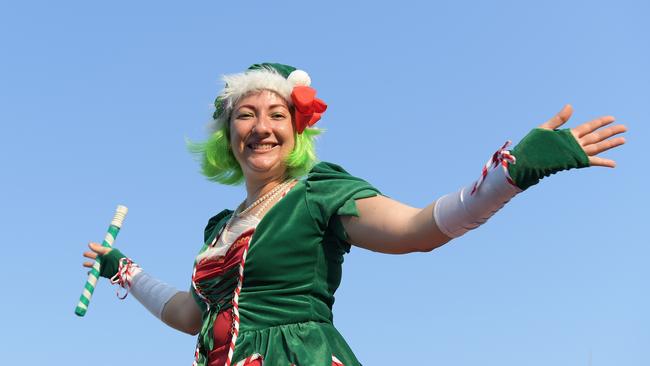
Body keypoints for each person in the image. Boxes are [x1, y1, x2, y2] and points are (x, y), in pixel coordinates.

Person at [82, 63, 627, 366]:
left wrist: (509, 175)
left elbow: (416, 230)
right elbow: (191, 315)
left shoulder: (318, 191)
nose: (262, 126)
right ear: (227, 138)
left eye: (277, 114)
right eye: (245, 115)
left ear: (296, 133)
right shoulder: (217, 228)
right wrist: (123, 269)